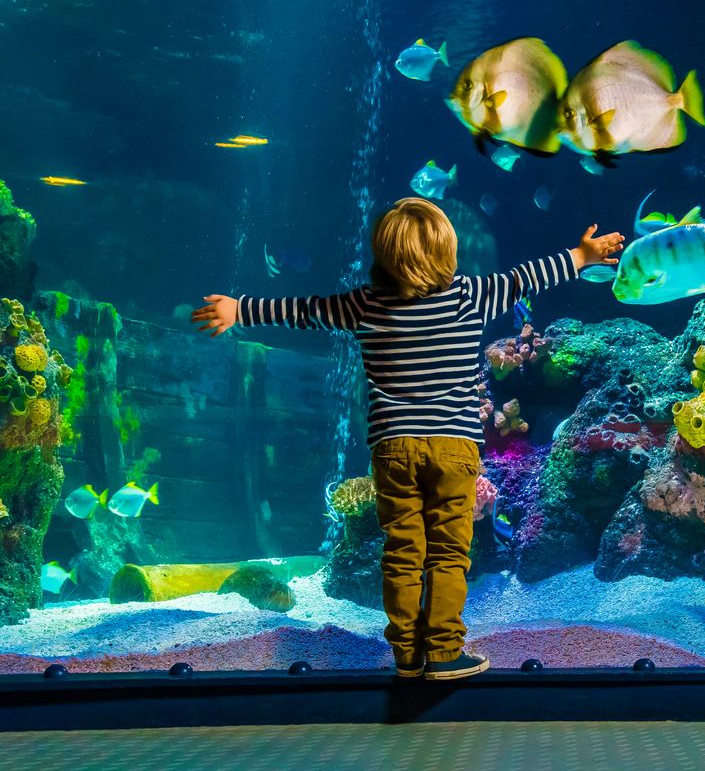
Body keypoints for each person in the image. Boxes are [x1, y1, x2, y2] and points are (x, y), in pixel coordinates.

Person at [192, 197, 624, 680]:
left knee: (402, 548)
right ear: (446, 252)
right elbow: (527, 276)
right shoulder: (470, 296)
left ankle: (404, 653)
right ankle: (442, 652)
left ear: (384, 255)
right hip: (453, 448)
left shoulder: (366, 303)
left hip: (393, 448)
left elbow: (305, 310)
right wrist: (582, 255)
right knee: (448, 549)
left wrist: (240, 310)